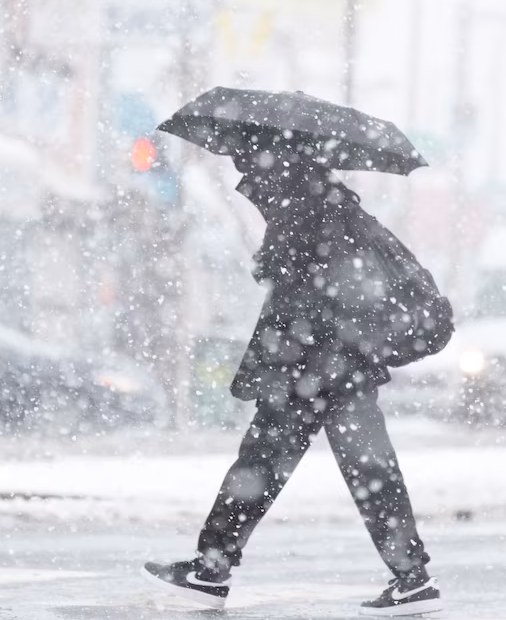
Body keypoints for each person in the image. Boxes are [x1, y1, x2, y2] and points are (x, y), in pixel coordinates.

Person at [142, 144, 449, 617]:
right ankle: (411, 578)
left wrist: (274, 264)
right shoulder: (331, 209)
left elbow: (307, 290)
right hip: (334, 366)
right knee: (365, 470)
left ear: (282, 171)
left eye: (253, 169)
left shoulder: (308, 211)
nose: (249, 180)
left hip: (310, 368)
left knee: (265, 465)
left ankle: (211, 569)